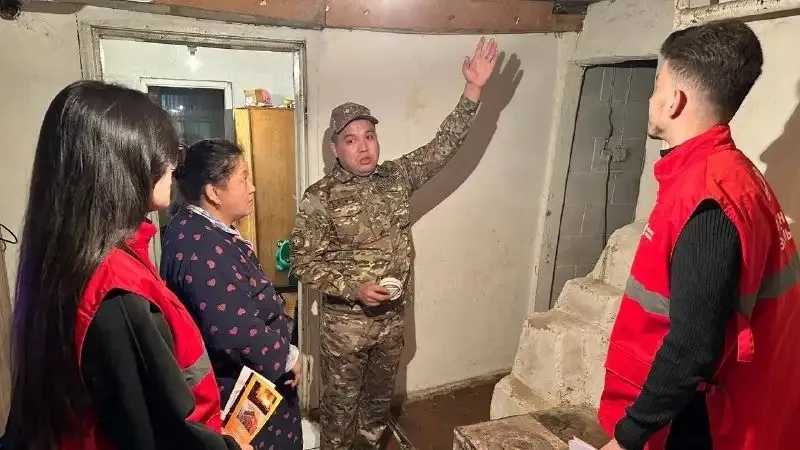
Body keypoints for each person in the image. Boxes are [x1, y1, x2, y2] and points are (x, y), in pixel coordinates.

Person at [1, 81, 249, 450]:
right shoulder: (116, 290)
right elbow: (161, 432)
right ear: (125, 161)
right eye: (166, 152)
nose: (173, 165)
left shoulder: (71, 257)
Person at [598, 20, 800, 450]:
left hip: (705, 421)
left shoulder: (707, 198)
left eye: (657, 85)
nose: (651, 98)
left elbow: (692, 346)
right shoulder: (735, 176)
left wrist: (628, 437)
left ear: (674, 101)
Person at [290, 37, 497, 449]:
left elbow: (442, 147)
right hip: (345, 330)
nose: (363, 146)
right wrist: (354, 288)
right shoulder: (319, 197)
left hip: (392, 321)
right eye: (351, 139)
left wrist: (473, 89)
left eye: (369, 136)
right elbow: (302, 262)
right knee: (339, 413)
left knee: (376, 408)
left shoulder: (396, 178)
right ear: (335, 148)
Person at [160, 139, 303, 450]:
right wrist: (287, 357)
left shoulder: (200, 229)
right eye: (244, 178)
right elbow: (233, 330)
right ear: (214, 192)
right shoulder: (199, 246)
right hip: (236, 393)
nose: (252, 188)